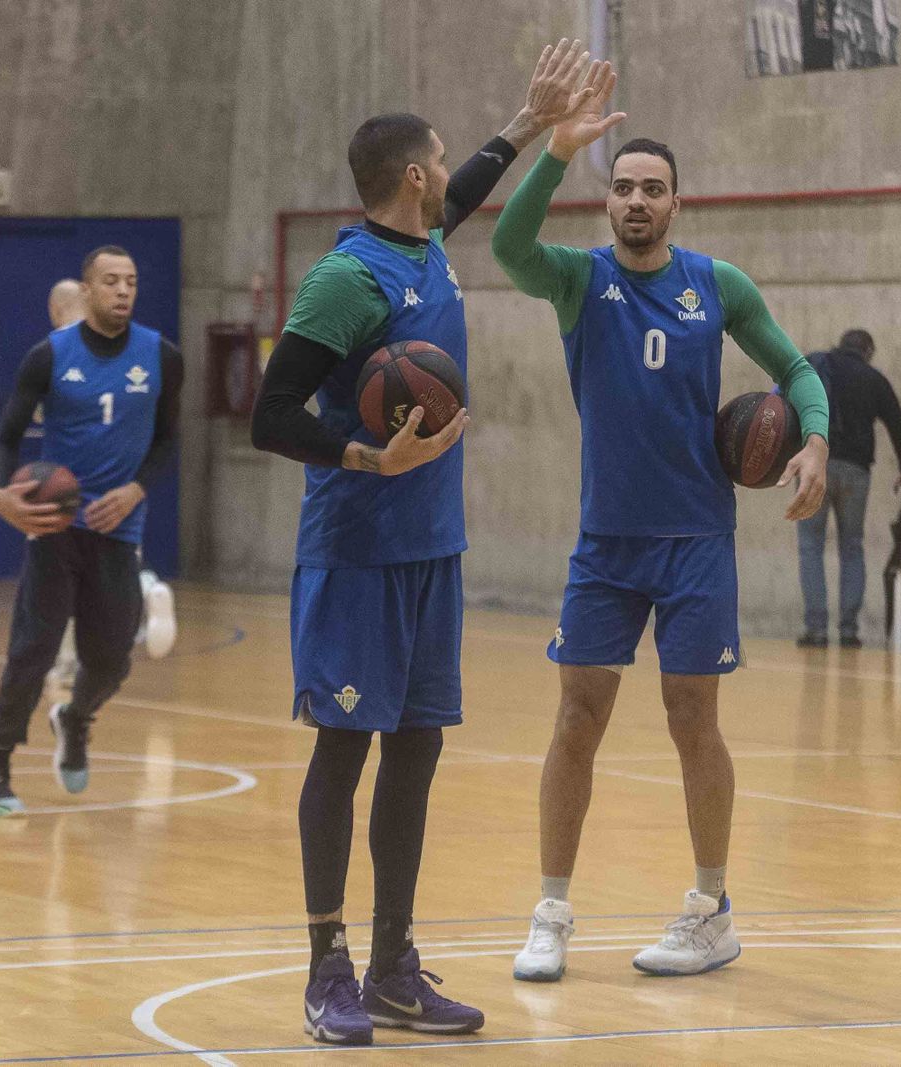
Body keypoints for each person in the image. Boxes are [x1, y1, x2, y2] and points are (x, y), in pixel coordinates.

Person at [250, 39, 594, 1046]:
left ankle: (396, 964)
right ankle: (328, 968)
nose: (449, 171)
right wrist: (367, 457)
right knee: (343, 753)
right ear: (410, 176)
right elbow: (270, 413)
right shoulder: (346, 279)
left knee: (415, 752)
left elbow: (472, 188)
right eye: (437, 158)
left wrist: (529, 126)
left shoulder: (426, 239)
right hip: (356, 546)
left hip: (432, 548)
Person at [491, 66, 830, 982]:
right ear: (608, 202)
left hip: (695, 542)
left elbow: (798, 374)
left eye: (652, 187)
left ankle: (710, 908)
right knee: (577, 719)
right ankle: (552, 910)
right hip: (606, 541)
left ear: (678, 202)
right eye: (623, 186)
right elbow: (509, 246)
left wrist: (815, 443)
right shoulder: (575, 279)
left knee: (694, 722)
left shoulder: (717, 285)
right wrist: (556, 152)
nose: (636, 200)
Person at [0, 247, 183, 815]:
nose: (123, 291)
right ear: (87, 290)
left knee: (111, 659)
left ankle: (75, 717)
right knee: (34, 649)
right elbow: (7, 436)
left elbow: (167, 439)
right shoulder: (49, 356)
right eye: (111, 281)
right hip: (55, 524)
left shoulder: (162, 355)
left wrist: (138, 488)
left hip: (117, 527)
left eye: (131, 282)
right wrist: (0, 496)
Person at [44, 281, 177, 696]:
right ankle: (149, 586)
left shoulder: (58, 353)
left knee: (70, 581)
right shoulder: (127, 349)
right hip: (124, 484)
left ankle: (66, 666)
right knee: (113, 573)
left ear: (56, 312)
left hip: (74, 487)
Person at [796, 327, 901, 648]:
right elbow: (898, 425)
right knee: (851, 547)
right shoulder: (872, 378)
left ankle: (816, 630)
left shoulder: (816, 366)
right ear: (868, 352)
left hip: (814, 465)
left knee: (810, 545)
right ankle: (848, 630)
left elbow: (787, 403)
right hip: (855, 472)